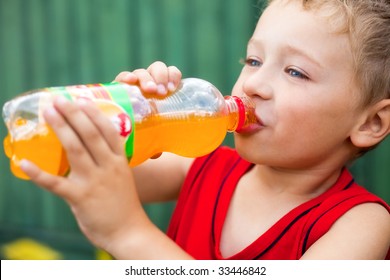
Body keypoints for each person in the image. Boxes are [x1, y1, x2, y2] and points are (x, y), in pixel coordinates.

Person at [19, 0, 390, 259]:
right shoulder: (200, 163)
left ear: (371, 122)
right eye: (254, 60)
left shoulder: (362, 224)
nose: (254, 84)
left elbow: (120, 222)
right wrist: (133, 116)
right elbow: (99, 175)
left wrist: (128, 234)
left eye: (296, 72)